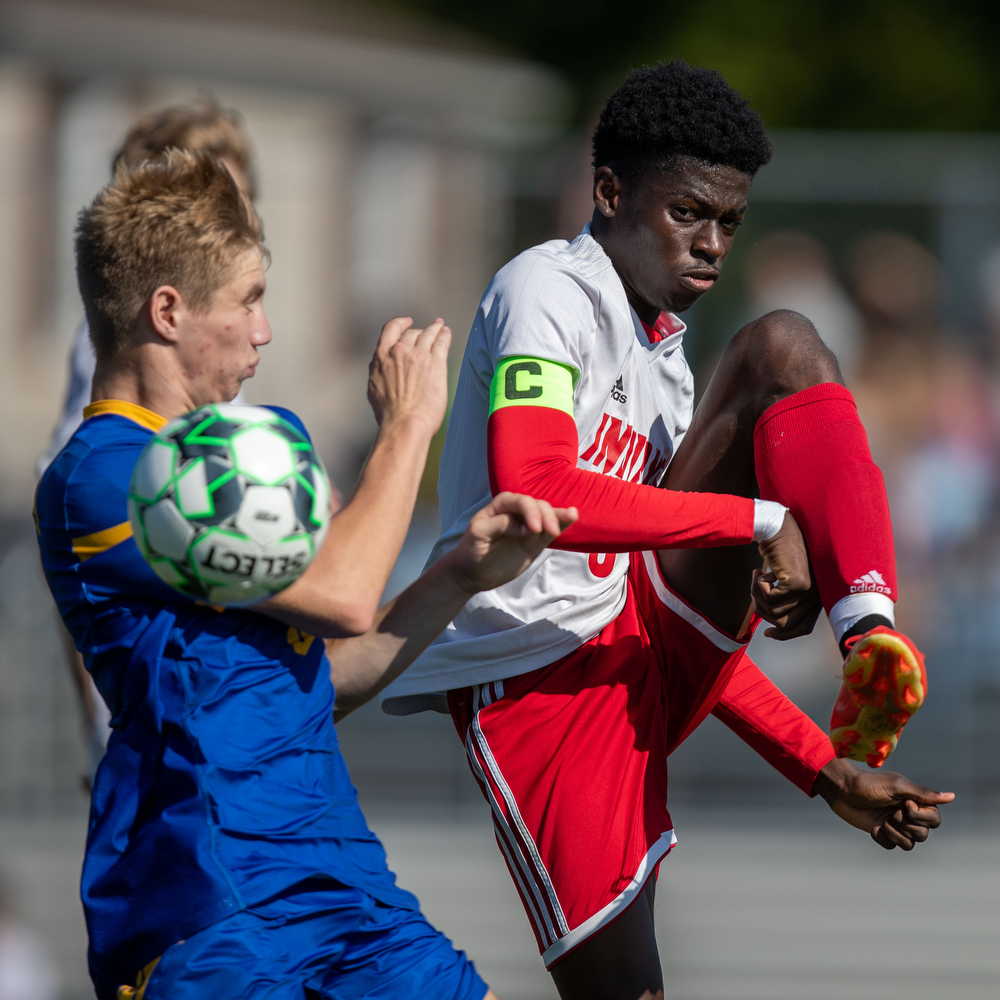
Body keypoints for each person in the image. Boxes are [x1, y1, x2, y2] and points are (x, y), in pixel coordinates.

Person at [380, 61, 954, 999]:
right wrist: (763, 521)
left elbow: (652, 597)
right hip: (537, 684)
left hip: (633, 650)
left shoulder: (669, 364)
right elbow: (538, 488)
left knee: (783, 344)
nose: (712, 243)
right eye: (689, 211)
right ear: (610, 193)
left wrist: (824, 765)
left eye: (730, 221)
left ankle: (870, 623)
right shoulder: (545, 290)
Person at [35, 149, 575, 999]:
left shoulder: (245, 455)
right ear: (168, 311)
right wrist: (406, 431)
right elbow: (344, 597)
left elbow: (317, 678)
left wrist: (457, 574)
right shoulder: (110, 474)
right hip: (212, 906)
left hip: (346, 888)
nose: (265, 330)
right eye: (248, 300)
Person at [39, 101, 262, 787]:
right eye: (215, 202)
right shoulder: (126, 354)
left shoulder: (225, 335)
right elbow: (90, 536)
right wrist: (101, 728)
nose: (239, 222)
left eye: (246, 203)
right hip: (161, 738)